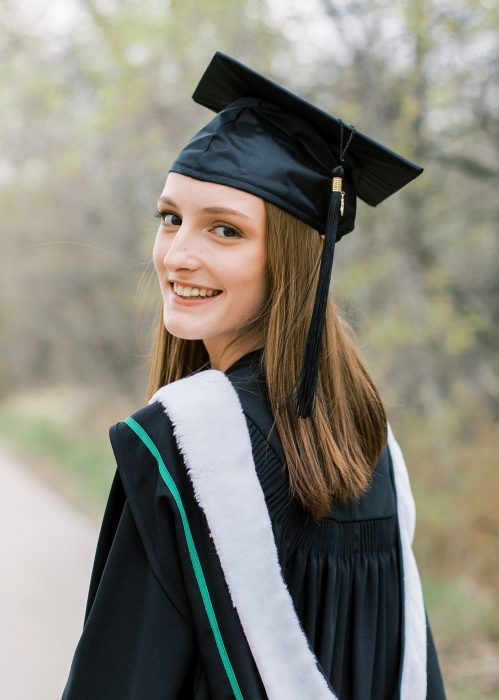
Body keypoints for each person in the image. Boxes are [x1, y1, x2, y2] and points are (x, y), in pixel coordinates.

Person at [62, 52, 446, 699]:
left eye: (224, 229)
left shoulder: (180, 447)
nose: (178, 254)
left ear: (294, 258)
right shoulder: (371, 448)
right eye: (170, 217)